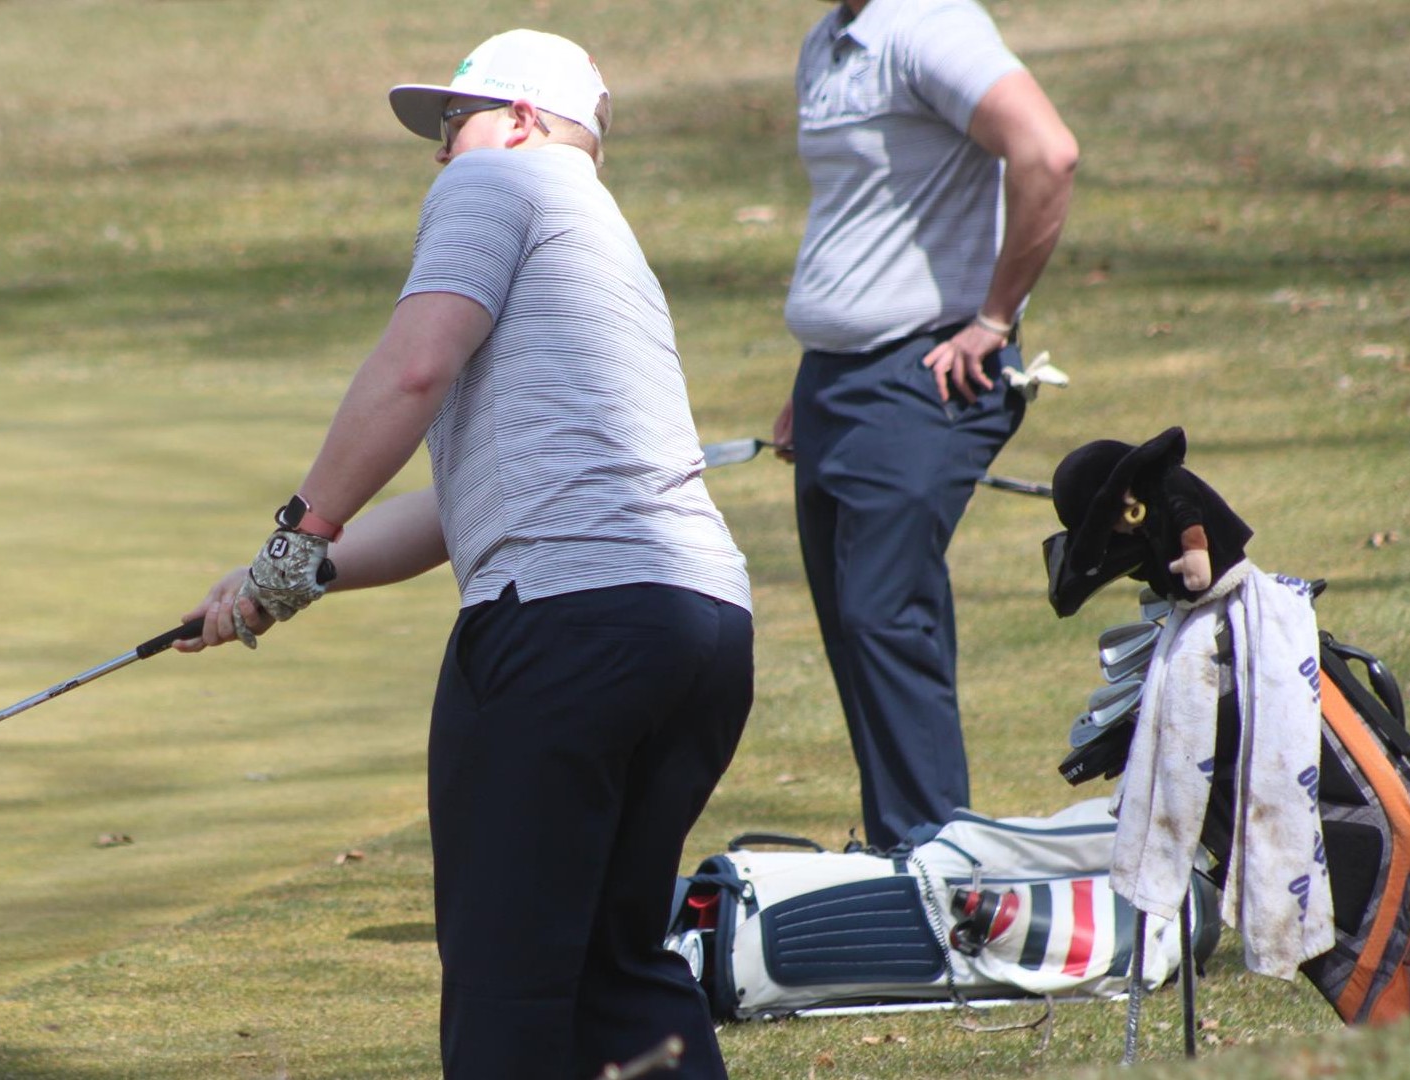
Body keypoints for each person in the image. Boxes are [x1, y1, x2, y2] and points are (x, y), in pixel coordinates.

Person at [173, 29, 755, 1080]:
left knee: (509, 994)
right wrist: (292, 583)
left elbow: (412, 369)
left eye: (457, 123)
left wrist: (294, 538)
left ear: (524, 122)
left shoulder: (501, 185)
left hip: (570, 631)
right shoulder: (602, 243)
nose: (443, 152)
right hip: (699, 629)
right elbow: (460, 509)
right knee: (616, 975)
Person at [769, 0, 1078, 850]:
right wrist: (819, 364)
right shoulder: (828, 42)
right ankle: (903, 847)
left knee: (881, 612)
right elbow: (860, 209)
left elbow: (1047, 153)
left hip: (928, 367)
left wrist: (993, 317)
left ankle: (937, 865)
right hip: (835, 378)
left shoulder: (928, 25)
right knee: (850, 622)